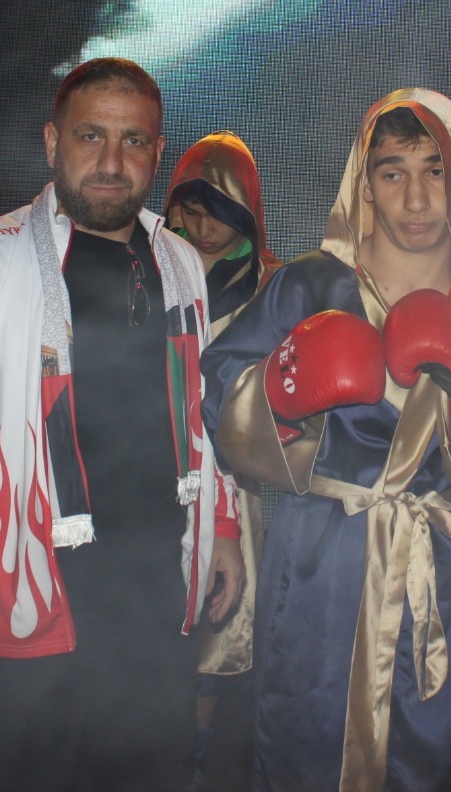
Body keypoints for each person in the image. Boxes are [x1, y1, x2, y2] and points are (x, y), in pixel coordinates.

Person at [0, 57, 244, 791]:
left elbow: (200, 409)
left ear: (157, 151)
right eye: (91, 136)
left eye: (133, 141)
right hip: (33, 598)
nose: (111, 161)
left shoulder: (180, 259)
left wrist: (221, 526)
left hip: (154, 596)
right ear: (51, 142)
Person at [201, 89, 451, 792]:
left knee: (431, 752)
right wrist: (279, 397)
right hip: (322, 555)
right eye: (393, 171)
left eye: (435, 171)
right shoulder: (310, 286)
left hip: (443, 562)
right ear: (363, 183)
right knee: (305, 745)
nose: (417, 198)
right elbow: (218, 393)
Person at [164, 131, 283, 775]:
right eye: (191, 209)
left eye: (220, 212)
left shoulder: (275, 284)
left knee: (220, 619)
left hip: (237, 478)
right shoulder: (150, 263)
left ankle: (199, 753)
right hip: (156, 465)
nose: (204, 227)